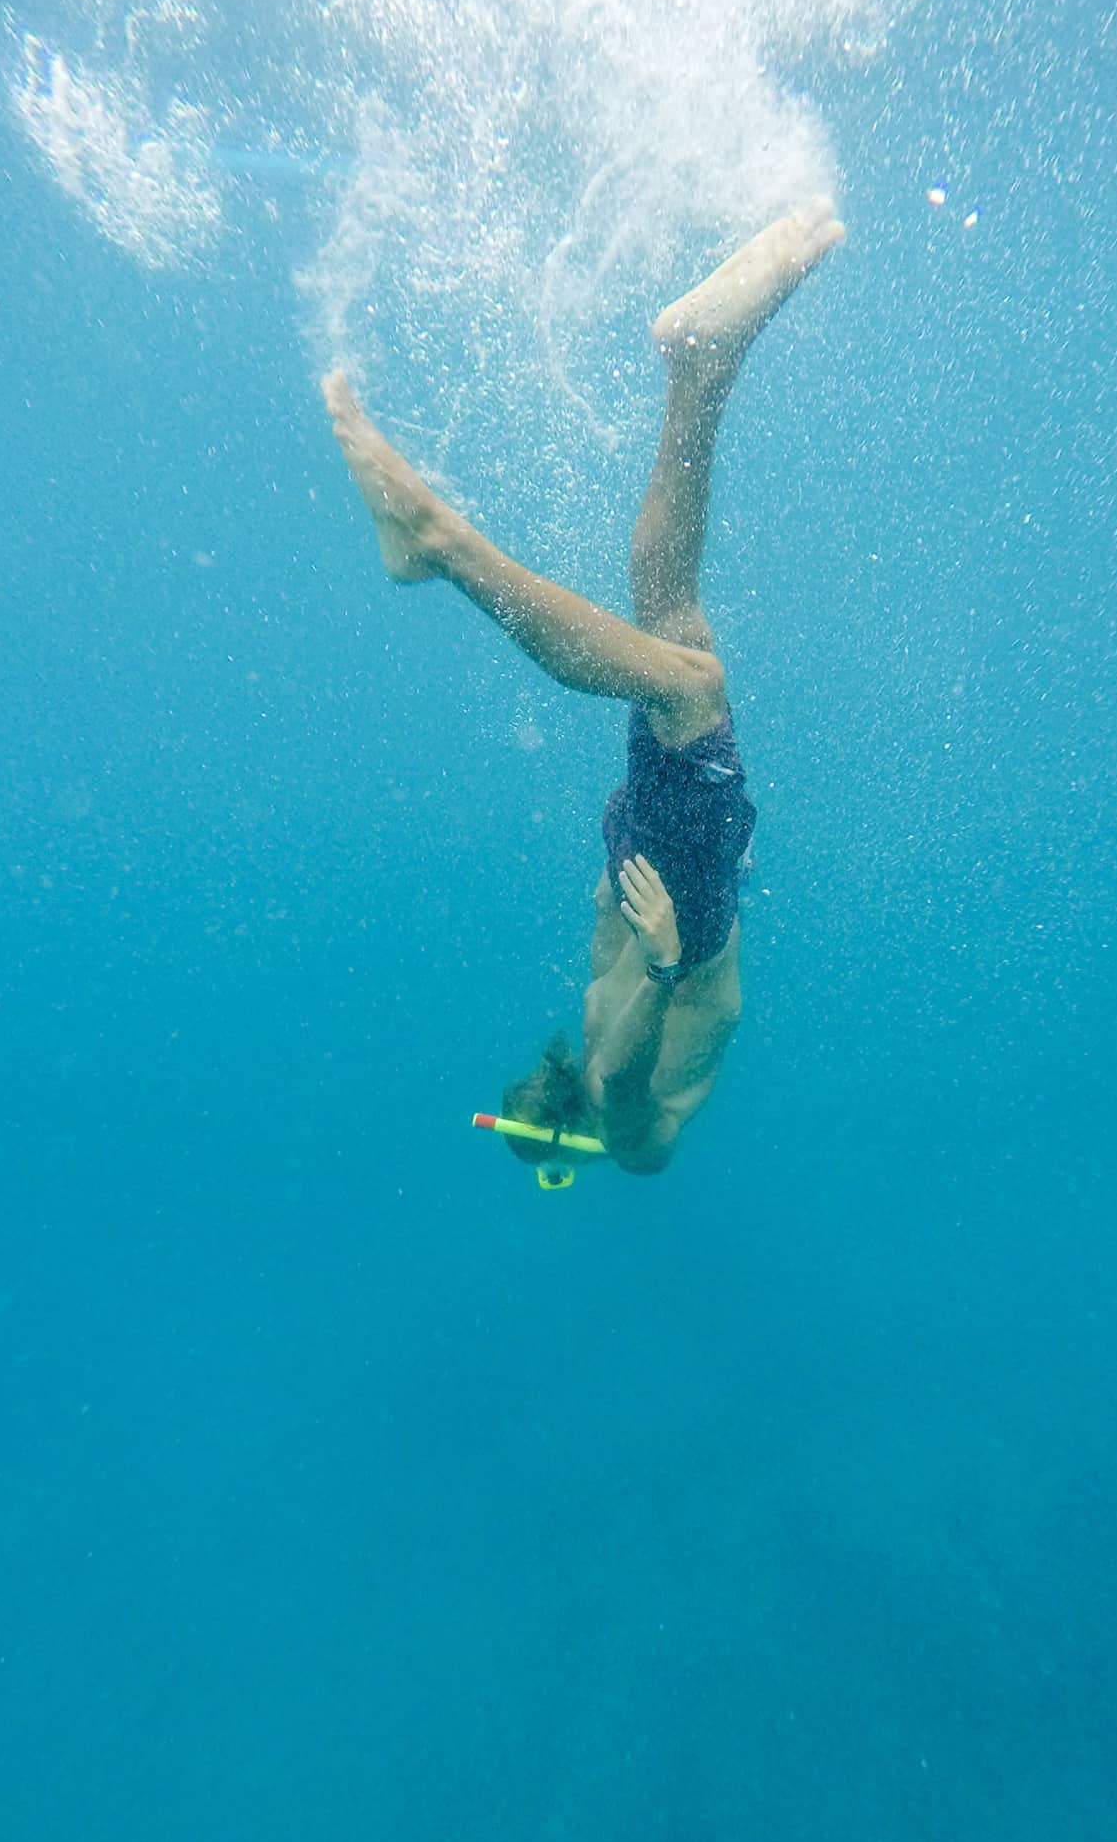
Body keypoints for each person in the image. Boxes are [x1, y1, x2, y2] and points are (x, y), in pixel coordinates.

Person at [324, 199, 846, 1177]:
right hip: (657, 862)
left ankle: (440, 545)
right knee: (672, 617)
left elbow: (616, 1087)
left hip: (683, 911)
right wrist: (632, 905)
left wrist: (659, 960)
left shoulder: (634, 1132)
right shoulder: (605, 1049)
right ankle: (698, 368)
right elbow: (606, 1055)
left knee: (689, 682)